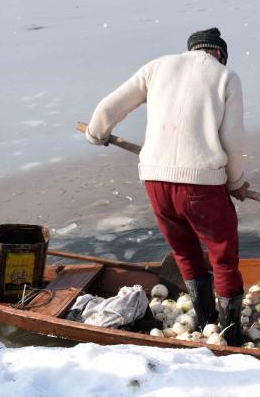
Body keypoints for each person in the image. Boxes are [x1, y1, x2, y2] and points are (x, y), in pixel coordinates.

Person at [85, 27, 251, 345]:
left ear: (191, 50)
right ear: (220, 53)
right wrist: (236, 181)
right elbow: (233, 139)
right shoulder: (225, 77)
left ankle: (206, 321)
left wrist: (96, 132)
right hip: (201, 184)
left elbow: (109, 107)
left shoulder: (157, 66)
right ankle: (230, 337)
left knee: (185, 252)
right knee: (223, 257)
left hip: (155, 178)